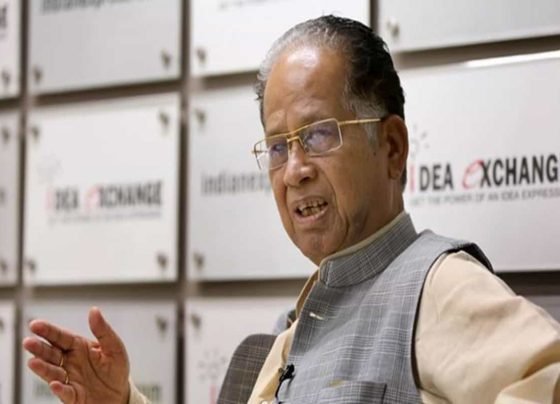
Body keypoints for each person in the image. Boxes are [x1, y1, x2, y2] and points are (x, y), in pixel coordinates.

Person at [23, 15, 560, 404]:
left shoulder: (438, 287)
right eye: (278, 147)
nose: (294, 170)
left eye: (319, 134)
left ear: (392, 147)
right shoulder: (291, 332)